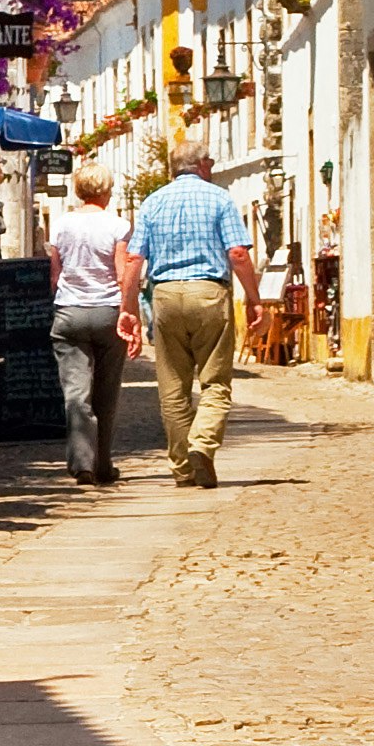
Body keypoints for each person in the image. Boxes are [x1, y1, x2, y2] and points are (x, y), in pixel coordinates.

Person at [122, 144, 258, 489]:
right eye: (209, 161)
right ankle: (202, 443)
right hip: (209, 293)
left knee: (173, 387)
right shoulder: (220, 199)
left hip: (165, 295)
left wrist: (129, 310)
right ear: (200, 165)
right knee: (215, 381)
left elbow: (134, 261)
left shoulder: (153, 202)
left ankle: (183, 469)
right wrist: (255, 299)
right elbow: (238, 253)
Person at [45, 165, 133, 485]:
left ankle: (83, 464)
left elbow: (55, 274)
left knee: (75, 393)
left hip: (70, 311)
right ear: (106, 191)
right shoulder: (118, 225)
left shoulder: (62, 224)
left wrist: (64, 297)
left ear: (79, 190)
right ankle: (104, 465)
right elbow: (122, 274)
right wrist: (128, 311)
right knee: (107, 393)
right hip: (108, 311)